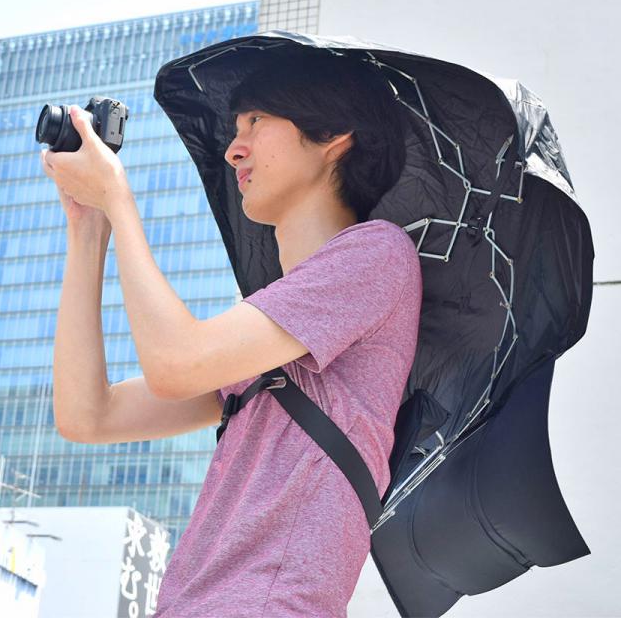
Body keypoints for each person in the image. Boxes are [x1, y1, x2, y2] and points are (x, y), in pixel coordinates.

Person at [42, 49, 422, 617]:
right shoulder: (268, 326)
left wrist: (119, 201)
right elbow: (86, 415)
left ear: (333, 137)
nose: (232, 148)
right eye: (235, 128)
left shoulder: (377, 254)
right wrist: (89, 227)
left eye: (257, 122)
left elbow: (174, 365)